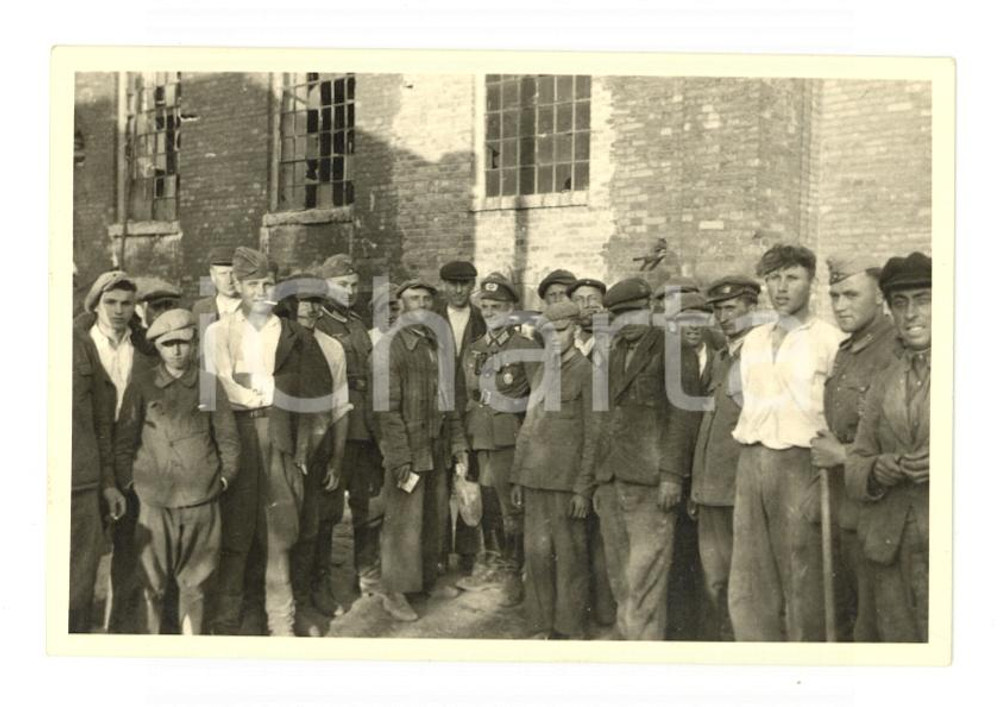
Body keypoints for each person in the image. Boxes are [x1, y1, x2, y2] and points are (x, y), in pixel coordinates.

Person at [204, 247, 331, 636]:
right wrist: (269, 389)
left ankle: (282, 621)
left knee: (280, 533)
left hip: (281, 437)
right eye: (252, 283)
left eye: (267, 282)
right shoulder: (219, 332)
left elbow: (316, 395)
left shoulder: (293, 335)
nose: (261, 291)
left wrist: (304, 446)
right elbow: (219, 387)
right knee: (237, 533)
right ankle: (230, 622)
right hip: (238, 434)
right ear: (237, 286)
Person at [728, 244, 845, 641]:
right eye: (773, 278)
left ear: (811, 283)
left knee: (803, 573)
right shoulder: (755, 340)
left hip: (801, 464)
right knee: (749, 575)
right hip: (751, 460)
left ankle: (802, 665)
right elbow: (746, 397)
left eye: (792, 278)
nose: (781, 287)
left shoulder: (830, 339)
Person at [580, 277, 702, 640]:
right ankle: (630, 640)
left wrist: (671, 476)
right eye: (617, 315)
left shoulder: (675, 349)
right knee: (621, 575)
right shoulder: (614, 351)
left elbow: (683, 418)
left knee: (645, 576)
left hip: (650, 482)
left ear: (649, 309)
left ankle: (643, 650)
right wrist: (595, 479)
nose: (624, 322)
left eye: (631, 313)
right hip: (612, 477)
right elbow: (604, 417)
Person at [114, 309, 240, 635]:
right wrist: (132, 482)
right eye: (168, 344)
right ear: (157, 346)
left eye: (183, 342)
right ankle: (151, 651)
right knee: (150, 585)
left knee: (196, 585)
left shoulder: (209, 385)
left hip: (201, 501)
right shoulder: (142, 385)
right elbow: (124, 440)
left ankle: (190, 647)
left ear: (194, 343)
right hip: (154, 503)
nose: (177, 350)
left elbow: (228, 438)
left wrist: (224, 477)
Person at [809, 254, 897, 642]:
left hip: (882, 510)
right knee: (842, 615)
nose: (840, 306)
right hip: (843, 507)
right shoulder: (846, 351)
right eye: (834, 296)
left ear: (879, 296)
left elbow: (905, 440)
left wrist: (842, 456)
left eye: (851, 295)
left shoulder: (897, 349)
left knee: (875, 623)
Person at [846, 252, 932, 642]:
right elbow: (857, 462)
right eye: (900, 303)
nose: (911, 314)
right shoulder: (885, 378)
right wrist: (879, 468)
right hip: (889, 545)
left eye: (924, 300)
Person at [374, 279, 469, 621]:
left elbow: (449, 402)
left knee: (434, 519)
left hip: (437, 449)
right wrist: (401, 459)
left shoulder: (435, 345)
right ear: (401, 305)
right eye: (414, 299)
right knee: (403, 523)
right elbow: (387, 410)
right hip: (409, 452)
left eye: (428, 299)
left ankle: (426, 581)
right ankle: (394, 591)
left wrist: (458, 445)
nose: (423, 305)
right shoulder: (390, 347)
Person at [74, 270, 155, 633]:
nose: (119, 310)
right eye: (111, 302)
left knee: (131, 552)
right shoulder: (79, 343)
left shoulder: (143, 348)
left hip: (132, 458)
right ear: (96, 304)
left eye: (127, 303)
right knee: (83, 558)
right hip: (89, 459)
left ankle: (120, 630)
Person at [510, 300, 596, 640]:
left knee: (571, 557)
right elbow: (530, 426)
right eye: (548, 333)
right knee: (537, 556)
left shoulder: (588, 373)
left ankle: (568, 627)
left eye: (560, 331)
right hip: (536, 480)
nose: (555, 339)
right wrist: (518, 475)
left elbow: (594, 434)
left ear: (575, 329)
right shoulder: (544, 369)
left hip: (566, 483)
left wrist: (582, 488)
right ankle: (540, 624)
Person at [459, 273, 540, 606]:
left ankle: (512, 571)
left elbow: (537, 400)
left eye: (498, 307)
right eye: (486, 306)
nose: (490, 312)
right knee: (485, 504)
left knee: (511, 508)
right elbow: (467, 395)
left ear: (512, 309)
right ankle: (490, 561)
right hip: (479, 436)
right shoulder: (475, 348)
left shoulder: (526, 347)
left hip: (510, 438)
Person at [689, 275, 760, 641]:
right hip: (710, 491)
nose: (723, 317)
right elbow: (709, 425)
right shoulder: (720, 357)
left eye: (732, 308)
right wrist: (697, 486)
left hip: (739, 492)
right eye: (718, 309)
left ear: (752, 309)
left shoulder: (759, 358)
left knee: (742, 585)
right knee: (714, 580)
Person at [280, 273, 353, 630]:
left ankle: (318, 589)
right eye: (302, 303)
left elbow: (340, 408)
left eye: (316, 303)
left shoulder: (332, 348)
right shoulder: (277, 344)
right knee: (292, 529)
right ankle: (292, 601)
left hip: (321, 452)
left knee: (324, 523)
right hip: (286, 454)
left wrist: (337, 460)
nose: (309, 310)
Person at [313, 254, 384, 600]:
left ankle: (367, 577)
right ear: (325, 285)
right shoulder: (318, 323)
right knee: (327, 509)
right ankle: (321, 580)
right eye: (343, 285)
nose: (350, 291)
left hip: (364, 422)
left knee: (366, 503)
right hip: (334, 424)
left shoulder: (357, 322)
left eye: (354, 285)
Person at [662, 290, 714, 640]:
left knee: (709, 558)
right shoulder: (668, 361)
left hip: (709, 471)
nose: (693, 327)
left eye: (699, 319)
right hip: (676, 472)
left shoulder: (720, 356)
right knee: (678, 555)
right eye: (685, 320)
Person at [566, 277, 616, 630]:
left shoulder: (609, 341)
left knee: (603, 535)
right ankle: (577, 609)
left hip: (604, 445)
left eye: (592, 300)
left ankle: (605, 608)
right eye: (579, 301)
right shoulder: (566, 342)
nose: (586, 307)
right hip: (571, 450)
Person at [435, 260, 488, 576]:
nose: (457, 290)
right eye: (452, 283)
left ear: (472, 287)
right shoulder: (431, 318)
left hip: (470, 411)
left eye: (464, 284)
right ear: (443, 285)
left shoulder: (481, 320)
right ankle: (439, 551)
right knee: (440, 482)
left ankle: (468, 550)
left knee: (471, 478)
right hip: (440, 411)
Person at [69, 320, 116, 632]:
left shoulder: (81, 343)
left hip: (80, 482)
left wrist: (109, 482)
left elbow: (102, 418)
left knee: (79, 586)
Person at [192, 246, 241, 325]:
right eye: (223, 274)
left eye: (233, 274)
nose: (229, 280)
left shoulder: (254, 309)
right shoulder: (202, 309)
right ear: (213, 276)